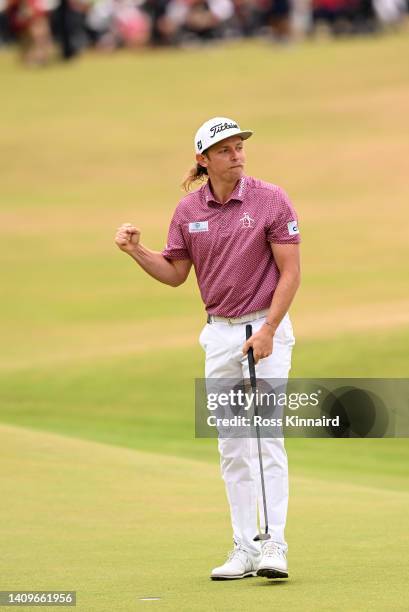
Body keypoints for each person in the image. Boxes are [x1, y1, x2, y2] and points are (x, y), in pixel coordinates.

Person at [114, 116, 301, 580]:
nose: (236, 154)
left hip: (265, 330)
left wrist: (269, 329)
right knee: (233, 445)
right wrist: (137, 252)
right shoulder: (187, 212)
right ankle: (243, 547)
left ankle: (274, 543)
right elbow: (176, 273)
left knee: (266, 439)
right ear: (203, 159)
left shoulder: (270, 199)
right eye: (225, 150)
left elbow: (291, 272)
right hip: (219, 335)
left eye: (239, 147)